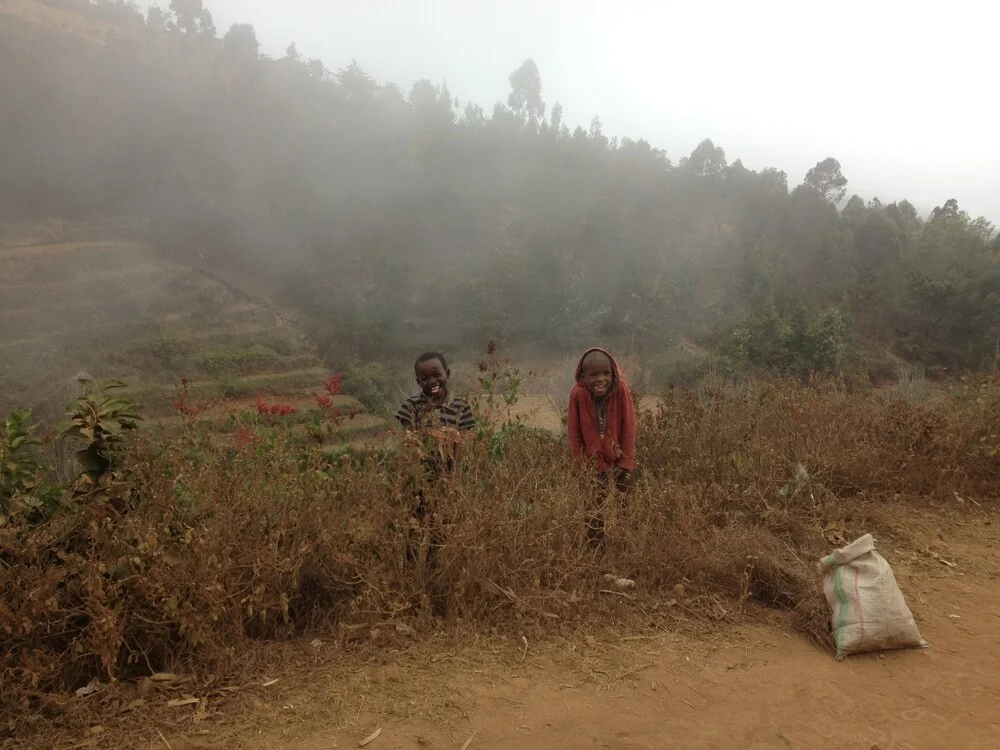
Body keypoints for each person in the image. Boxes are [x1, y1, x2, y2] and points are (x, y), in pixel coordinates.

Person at [395, 351, 475, 577]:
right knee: (413, 532)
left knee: (439, 535)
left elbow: (465, 445)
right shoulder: (410, 407)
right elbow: (409, 442)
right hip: (417, 483)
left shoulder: (461, 407)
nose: (431, 381)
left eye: (436, 374)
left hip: (447, 484)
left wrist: (453, 483)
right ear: (418, 381)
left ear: (447, 374)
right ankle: (409, 580)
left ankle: (432, 577)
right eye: (424, 378)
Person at [566, 347, 638, 545]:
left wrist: (626, 462)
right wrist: (582, 464)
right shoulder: (578, 394)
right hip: (591, 464)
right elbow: (574, 433)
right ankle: (595, 548)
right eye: (593, 374)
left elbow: (629, 427)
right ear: (582, 376)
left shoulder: (620, 389)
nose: (601, 379)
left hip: (620, 461)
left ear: (613, 373)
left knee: (625, 505)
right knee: (593, 509)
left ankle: (626, 543)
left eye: (606, 373)